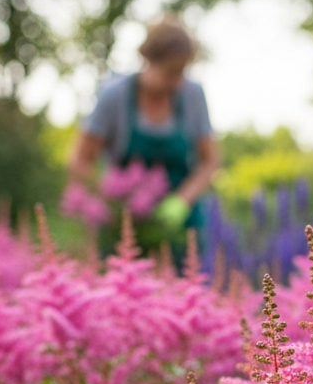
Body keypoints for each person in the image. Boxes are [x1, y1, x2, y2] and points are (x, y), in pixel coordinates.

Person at [67, 14, 219, 249]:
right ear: (149, 61)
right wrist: (111, 201)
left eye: (183, 71)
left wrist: (181, 201)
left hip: (180, 227)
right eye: (171, 72)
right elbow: (80, 161)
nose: (178, 81)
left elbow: (210, 161)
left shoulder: (192, 94)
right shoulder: (114, 96)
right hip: (123, 227)